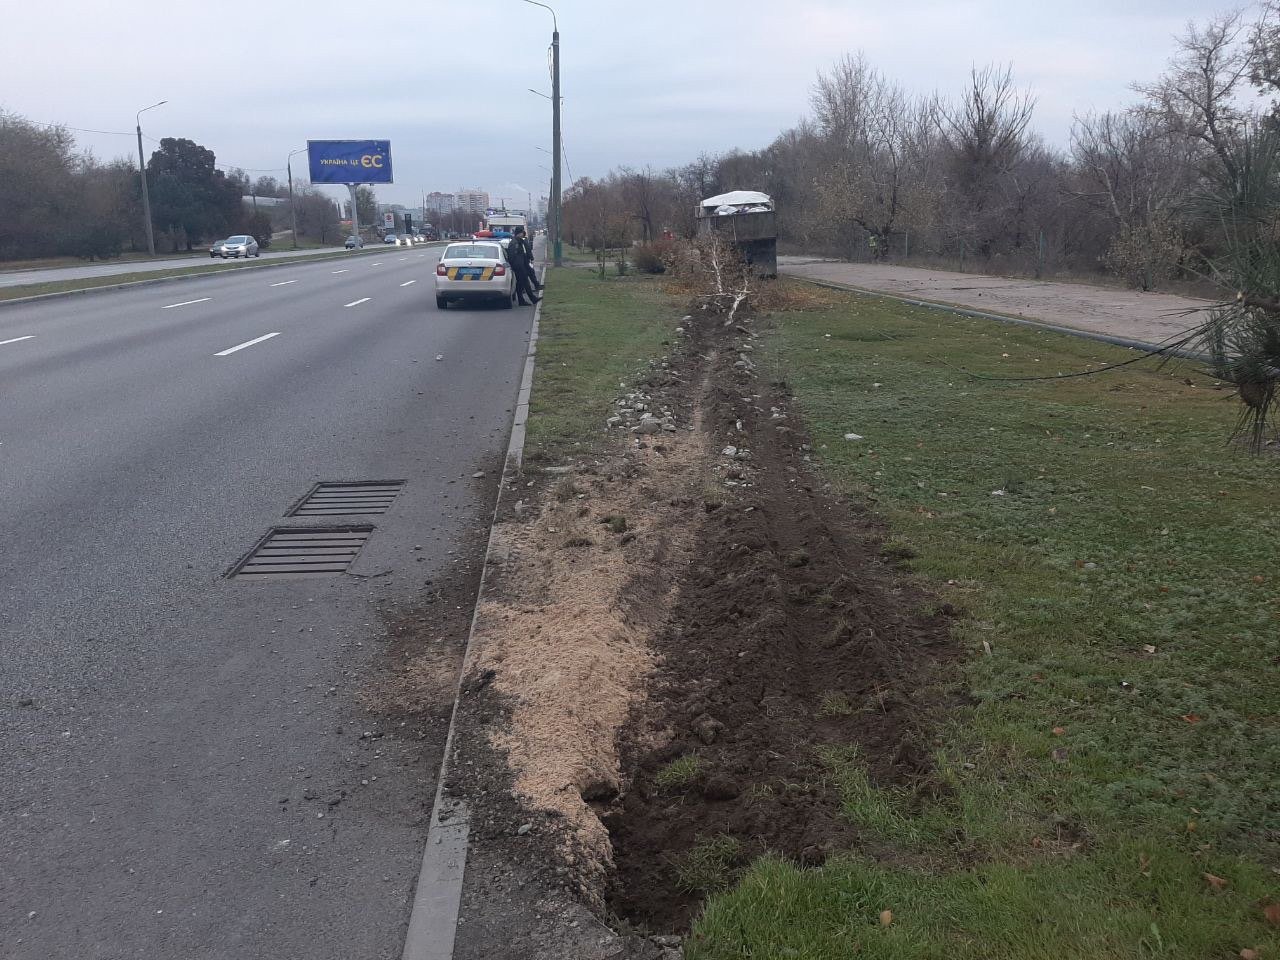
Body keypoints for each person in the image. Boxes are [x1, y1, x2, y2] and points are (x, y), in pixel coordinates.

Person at [508, 226, 540, 304]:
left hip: (521, 265)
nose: (523, 234)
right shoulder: (515, 243)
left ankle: (521, 301)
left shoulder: (519, 241)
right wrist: (516, 265)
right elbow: (512, 256)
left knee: (520, 284)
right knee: (526, 283)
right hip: (519, 266)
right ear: (519, 233)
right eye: (522, 232)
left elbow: (524, 253)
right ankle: (533, 299)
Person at [514, 225, 542, 292]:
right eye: (522, 232)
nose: (522, 233)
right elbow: (527, 250)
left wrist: (531, 258)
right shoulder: (520, 241)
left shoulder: (522, 240)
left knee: (530, 273)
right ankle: (529, 289)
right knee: (526, 275)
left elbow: (527, 250)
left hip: (525, 261)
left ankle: (535, 286)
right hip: (523, 262)